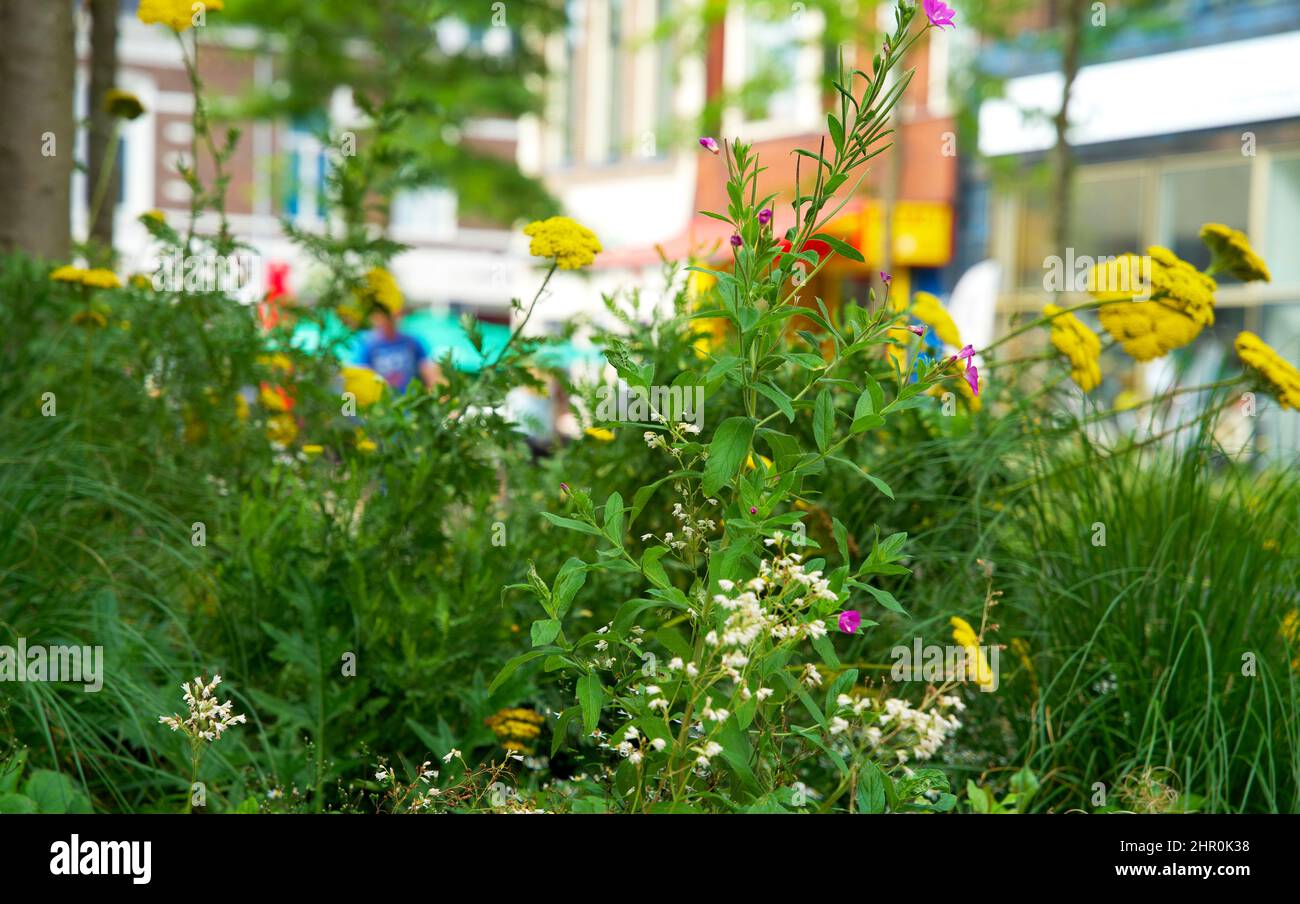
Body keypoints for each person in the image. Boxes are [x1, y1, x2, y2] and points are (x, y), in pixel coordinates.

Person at [359, 304, 439, 391]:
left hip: (410, 398)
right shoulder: (368, 345)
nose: (389, 320)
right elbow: (362, 372)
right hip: (382, 399)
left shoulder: (412, 341)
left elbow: (427, 369)